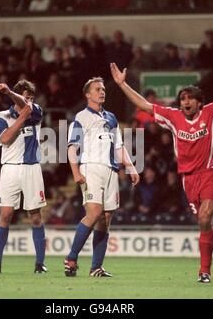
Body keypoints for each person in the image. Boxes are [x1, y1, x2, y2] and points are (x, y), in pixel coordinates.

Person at [110, 42, 213, 283]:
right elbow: (144, 104)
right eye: (182, 98)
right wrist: (123, 84)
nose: (185, 101)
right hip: (188, 179)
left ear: (199, 102)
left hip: (210, 173)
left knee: (206, 218)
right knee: (206, 225)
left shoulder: (212, 112)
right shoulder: (173, 117)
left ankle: (204, 272)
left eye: (189, 98)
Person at [64, 77, 140, 277]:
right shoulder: (81, 117)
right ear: (87, 95)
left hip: (111, 170)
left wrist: (131, 167)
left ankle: (96, 267)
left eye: (103, 89)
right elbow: (73, 147)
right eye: (97, 89)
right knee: (95, 212)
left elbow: (118, 146)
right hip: (91, 168)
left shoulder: (111, 118)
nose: (102, 91)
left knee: (106, 219)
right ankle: (71, 258)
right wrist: (76, 172)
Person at [0, 80, 48, 274]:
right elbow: (4, 139)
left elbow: (28, 107)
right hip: (10, 169)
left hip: (31, 168)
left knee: (36, 217)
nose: (29, 101)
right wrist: (21, 118)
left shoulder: (36, 112)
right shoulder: (1, 116)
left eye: (31, 98)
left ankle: (40, 264)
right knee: (5, 215)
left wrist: (14, 96)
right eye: (26, 97)